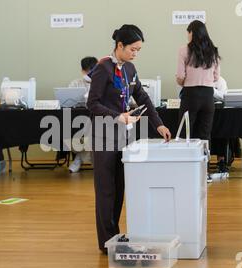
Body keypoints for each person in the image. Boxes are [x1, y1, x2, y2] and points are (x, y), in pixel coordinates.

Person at [87, 24, 171, 254]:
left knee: (120, 187)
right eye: (132, 49)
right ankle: (106, 241)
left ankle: (114, 235)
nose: (135, 53)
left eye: (138, 50)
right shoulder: (102, 68)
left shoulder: (130, 69)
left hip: (124, 137)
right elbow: (92, 104)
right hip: (104, 135)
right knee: (106, 190)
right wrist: (118, 116)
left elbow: (142, 97)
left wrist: (159, 123)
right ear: (120, 46)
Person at [176, 20, 220, 181]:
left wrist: (182, 81)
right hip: (208, 96)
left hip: (190, 94)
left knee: (185, 132)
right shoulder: (213, 51)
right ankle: (204, 172)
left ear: (192, 33)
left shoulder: (184, 50)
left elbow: (180, 77)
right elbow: (216, 77)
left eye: (188, 32)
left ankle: (184, 168)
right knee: (205, 134)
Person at [68, 56, 98, 173]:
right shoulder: (75, 84)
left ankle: (79, 159)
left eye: (92, 70)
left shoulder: (103, 83)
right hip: (77, 118)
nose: (89, 73)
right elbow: (67, 100)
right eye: (87, 71)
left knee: (94, 132)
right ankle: (81, 158)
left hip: (97, 116)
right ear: (82, 71)